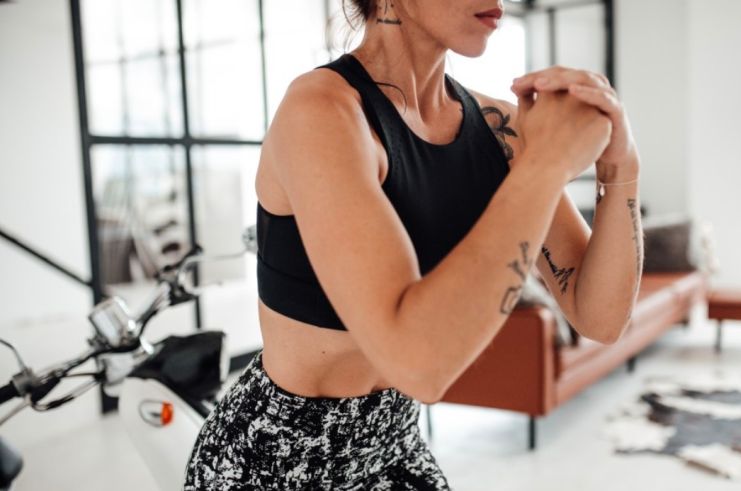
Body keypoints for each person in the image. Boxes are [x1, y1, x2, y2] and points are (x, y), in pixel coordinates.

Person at [183, 0, 643, 489]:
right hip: (273, 462)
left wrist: (621, 167)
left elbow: (601, 318)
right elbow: (419, 366)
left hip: (393, 445)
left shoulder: (499, 131)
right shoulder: (321, 110)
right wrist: (547, 163)